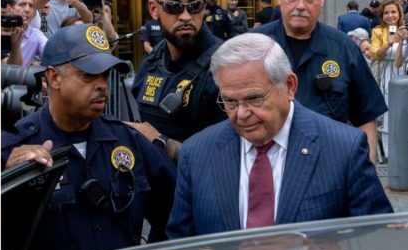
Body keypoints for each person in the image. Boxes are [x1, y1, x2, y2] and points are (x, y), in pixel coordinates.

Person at [166, 34, 393, 239]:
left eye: (254, 98)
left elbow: (376, 240)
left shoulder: (344, 148)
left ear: (290, 86)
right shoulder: (196, 153)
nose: (242, 114)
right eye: (230, 101)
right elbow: (180, 246)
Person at [2, 23, 177, 250]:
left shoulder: (127, 140)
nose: (102, 85)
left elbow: (178, 212)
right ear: (54, 78)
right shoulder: (16, 148)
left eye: (105, 76)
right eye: (88, 75)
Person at [253, 0, 387, 163]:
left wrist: (365, 172)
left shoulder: (344, 48)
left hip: (330, 165)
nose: (300, 6)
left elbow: (365, 116)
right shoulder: (252, 45)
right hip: (266, 165)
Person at [130, 0, 226, 161]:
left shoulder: (227, 67)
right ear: (154, 9)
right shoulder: (153, 60)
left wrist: (161, 142)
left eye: (194, 5)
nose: (185, 16)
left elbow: (230, 157)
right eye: (173, 6)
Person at [369, 0, 408, 158]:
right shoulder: (378, 31)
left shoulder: (405, 30)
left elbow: (401, 61)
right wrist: (389, 43)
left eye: (393, 12)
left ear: (399, 13)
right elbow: (375, 53)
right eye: (386, 12)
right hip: (385, 76)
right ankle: (388, 153)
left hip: (403, 75)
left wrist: (404, 38)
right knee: (386, 114)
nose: (390, 15)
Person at [3, 0, 48, 68]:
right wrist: (15, 45)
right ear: (10, 9)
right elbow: (10, 69)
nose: (27, 10)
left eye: (31, 6)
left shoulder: (35, 34)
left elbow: (51, 53)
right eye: (22, 5)